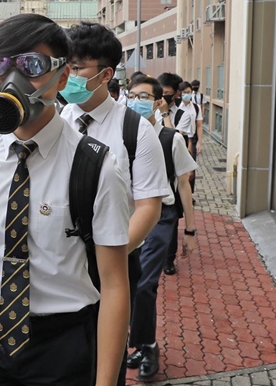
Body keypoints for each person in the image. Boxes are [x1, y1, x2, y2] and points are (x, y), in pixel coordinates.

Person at [0, 14, 131, 386]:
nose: (13, 80)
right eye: (0, 65)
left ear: (61, 78)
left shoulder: (97, 166)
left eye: (33, 66)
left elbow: (115, 284)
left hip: (64, 345)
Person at [59, 22, 169, 386]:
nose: (67, 75)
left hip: (114, 261)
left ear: (106, 74)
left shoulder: (136, 130)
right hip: (58, 262)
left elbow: (149, 205)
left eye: (76, 68)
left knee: (103, 359)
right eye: (65, 66)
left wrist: (112, 253)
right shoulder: (57, 122)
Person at [124, 76, 197, 380]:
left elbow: (183, 185)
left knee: (144, 284)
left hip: (160, 218)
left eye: (143, 96)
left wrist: (189, 231)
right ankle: (141, 342)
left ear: (157, 102)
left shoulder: (171, 138)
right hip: (127, 216)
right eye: (131, 95)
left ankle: (149, 345)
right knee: (131, 285)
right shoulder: (123, 134)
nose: (135, 100)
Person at [156, 73, 196, 275]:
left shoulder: (184, 114)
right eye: (160, 93)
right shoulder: (152, 111)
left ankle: (168, 259)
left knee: (173, 215)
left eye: (167, 94)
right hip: (155, 172)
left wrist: (165, 116)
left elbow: (174, 139)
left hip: (175, 170)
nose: (163, 97)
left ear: (176, 93)